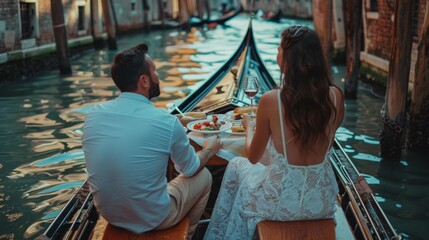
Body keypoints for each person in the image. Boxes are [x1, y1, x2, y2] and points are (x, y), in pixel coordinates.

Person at [204, 25, 345, 239]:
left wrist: (250, 127)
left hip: (280, 205)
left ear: (289, 59)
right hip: (320, 202)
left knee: (235, 165)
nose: (277, 54)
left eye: (279, 49)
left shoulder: (271, 100)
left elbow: (252, 157)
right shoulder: (336, 97)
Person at [82, 43, 222, 239]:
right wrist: (209, 148)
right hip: (154, 219)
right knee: (204, 175)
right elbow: (188, 169)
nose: (158, 76)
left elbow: (129, 129)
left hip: (110, 214)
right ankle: (187, 235)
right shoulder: (166, 121)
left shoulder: (92, 115)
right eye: (155, 71)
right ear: (144, 81)